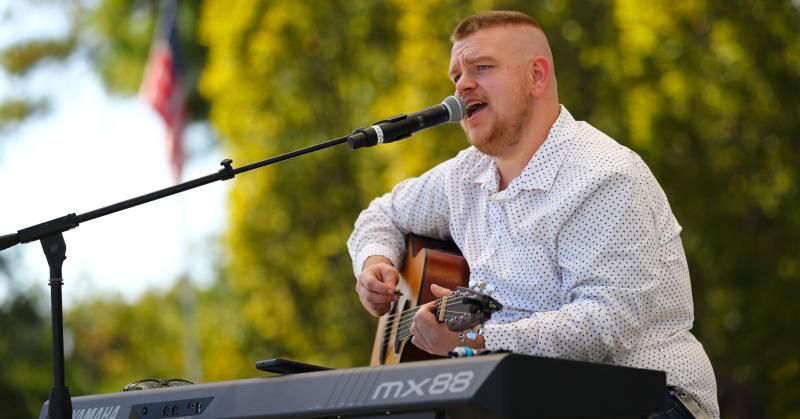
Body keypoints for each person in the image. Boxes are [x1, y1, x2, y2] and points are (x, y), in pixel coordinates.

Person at [347, 10, 719, 419]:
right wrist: (375, 260)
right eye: (456, 75)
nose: (462, 84)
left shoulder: (604, 176)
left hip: (650, 401)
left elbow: (606, 327)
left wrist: (469, 337)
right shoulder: (464, 174)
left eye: (482, 67)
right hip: (518, 397)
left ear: (536, 77)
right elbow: (381, 214)